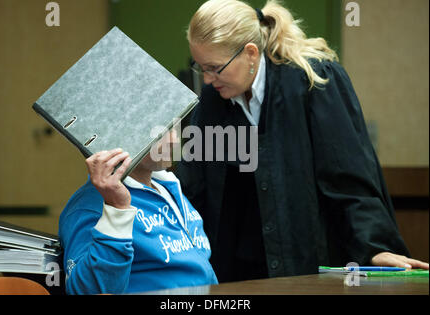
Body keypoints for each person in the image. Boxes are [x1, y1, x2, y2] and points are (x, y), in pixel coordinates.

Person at [174, 0, 429, 283]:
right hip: (239, 273)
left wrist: (375, 247)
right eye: (201, 68)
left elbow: (348, 177)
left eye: (215, 68)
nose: (207, 80)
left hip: (308, 265)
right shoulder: (214, 101)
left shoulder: (313, 82)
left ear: (250, 53)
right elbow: (194, 185)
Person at [59, 132, 218, 294]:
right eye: (158, 133)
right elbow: (86, 291)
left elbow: (201, 269)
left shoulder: (167, 187)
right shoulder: (90, 205)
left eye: (173, 128)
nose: (173, 140)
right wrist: (117, 210)